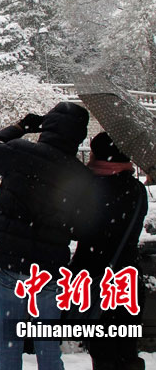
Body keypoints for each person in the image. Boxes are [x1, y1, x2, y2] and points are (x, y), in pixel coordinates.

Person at [0, 102, 93, 370]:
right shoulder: (81, 176)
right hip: (47, 265)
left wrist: (18, 128)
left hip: (8, 257)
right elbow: (81, 228)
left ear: (47, 126)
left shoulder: (20, 152)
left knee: (8, 338)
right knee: (48, 342)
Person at [71, 132, 147, 370]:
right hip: (128, 278)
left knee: (102, 350)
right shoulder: (137, 189)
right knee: (126, 348)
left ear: (98, 155)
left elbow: (76, 229)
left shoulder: (92, 189)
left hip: (97, 279)